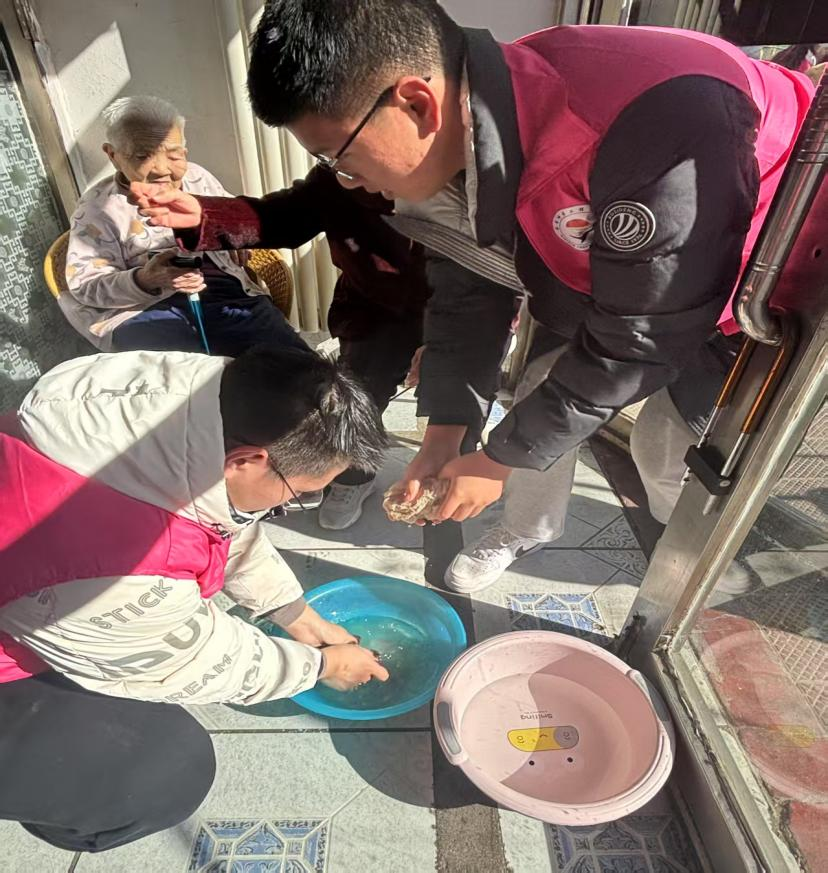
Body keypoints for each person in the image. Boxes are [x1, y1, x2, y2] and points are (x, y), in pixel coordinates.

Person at [240, 0, 814, 592]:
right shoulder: (484, 115)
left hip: (767, 301)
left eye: (338, 157)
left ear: (416, 104)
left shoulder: (654, 121)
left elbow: (643, 336)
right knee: (542, 397)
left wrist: (499, 460)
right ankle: (530, 529)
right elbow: (469, 284)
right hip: (628, 293)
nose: (347, 180)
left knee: (667, 450)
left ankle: (698, 558)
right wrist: (447, 430)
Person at [0, 345, 389, 852]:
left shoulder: (178, 403)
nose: (296, 505)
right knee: (166, 767)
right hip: (33, 621)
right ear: (245, 461)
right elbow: (193, 661)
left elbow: (218, 518)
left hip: (35, 587)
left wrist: (299, 616)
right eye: (301, 495)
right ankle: (64, 806)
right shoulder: (114, 569)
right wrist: (321, 668)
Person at [131, 164, 518, 529]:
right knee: (357, 397)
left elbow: (498, 285)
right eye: (334, 160)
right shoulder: (342, 175)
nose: (345, 171)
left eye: (347, 157)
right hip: (374, 312)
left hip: (472, 319)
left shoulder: (483, 183)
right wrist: (204, 216)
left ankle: (449, 487)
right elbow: (280, 217)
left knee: (461, 407)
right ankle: (353, 477)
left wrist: (444, 351)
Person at [61, 95, 306, 356]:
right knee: (186, 374)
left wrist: (237, 239)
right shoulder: (97, 209)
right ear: (112, 155)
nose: (161, 169)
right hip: (146, 311)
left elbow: (235, 219)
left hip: (228, 295)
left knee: (293, 363)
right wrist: (144, 279)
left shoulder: (198, 177)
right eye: (143, 155)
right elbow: (85, 286)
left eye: (174, 155)